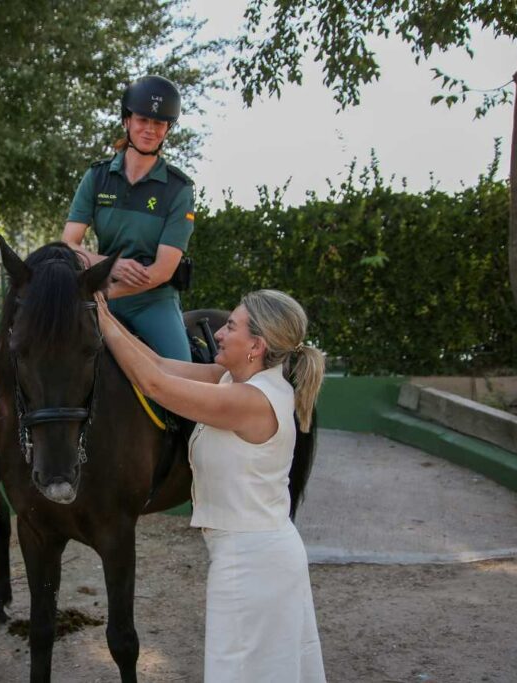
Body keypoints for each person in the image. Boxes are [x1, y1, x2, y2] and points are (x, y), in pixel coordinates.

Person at [95, 289, 328, 682]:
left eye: (231, 327)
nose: (218, 333)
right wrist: (104, 315)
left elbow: (154, 385)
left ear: (256, 346)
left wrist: (101, 319)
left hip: (254, 563)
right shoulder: (229, 380)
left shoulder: (251, 400)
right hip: (253, 555)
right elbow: (157, 364)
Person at [62, 74, 196, 361]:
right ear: (126, 121)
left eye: (159, 123)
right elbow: (69, 244)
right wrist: (111, 265)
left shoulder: (179, 189)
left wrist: (106, 294)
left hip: (152, 302)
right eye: (142, 120)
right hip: (100, 294)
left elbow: (161, 271)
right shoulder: (96, 177)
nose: (150, 129)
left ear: (168, 129)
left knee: (181, 369)